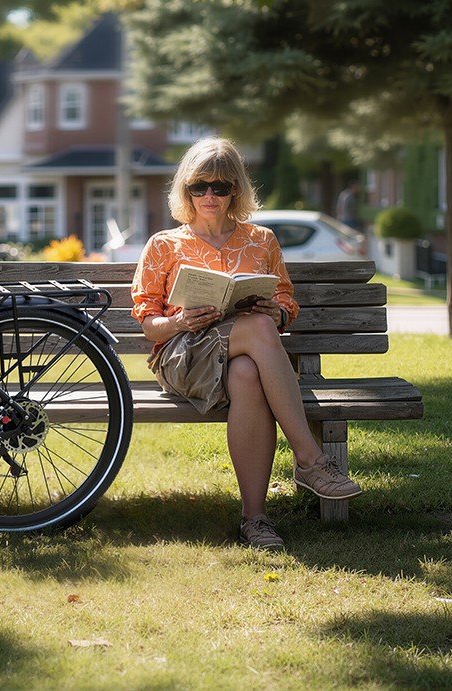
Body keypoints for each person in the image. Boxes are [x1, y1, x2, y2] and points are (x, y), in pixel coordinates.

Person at [131, 137, 361, 549]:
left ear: (236, 189)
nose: (209, 196)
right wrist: (179, 320)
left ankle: (255, 521)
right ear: (185, 190)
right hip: (184, 355)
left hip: (247, 356)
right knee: (256, 329)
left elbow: (286, 300)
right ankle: (309, 459)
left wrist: (279, 313)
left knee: (247, 372)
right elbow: (149, 324)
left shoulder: (261, 240)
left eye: (220, 187)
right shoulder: (164, 245)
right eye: (198, 186)